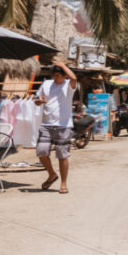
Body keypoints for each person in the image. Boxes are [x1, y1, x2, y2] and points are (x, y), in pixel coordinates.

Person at [35, 59, 77, 194]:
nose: (55, 77)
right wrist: (39, 101)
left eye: (58, 75)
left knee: (62, 155)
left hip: (63, 126)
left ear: (64, 75)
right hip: (46, 124)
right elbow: (36, 100)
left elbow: (74, 77)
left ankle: (64, 183)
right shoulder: (46, 84)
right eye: (54, 75)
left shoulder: (68, 85)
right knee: (41, 151)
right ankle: (52, 174)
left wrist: (63, 66)